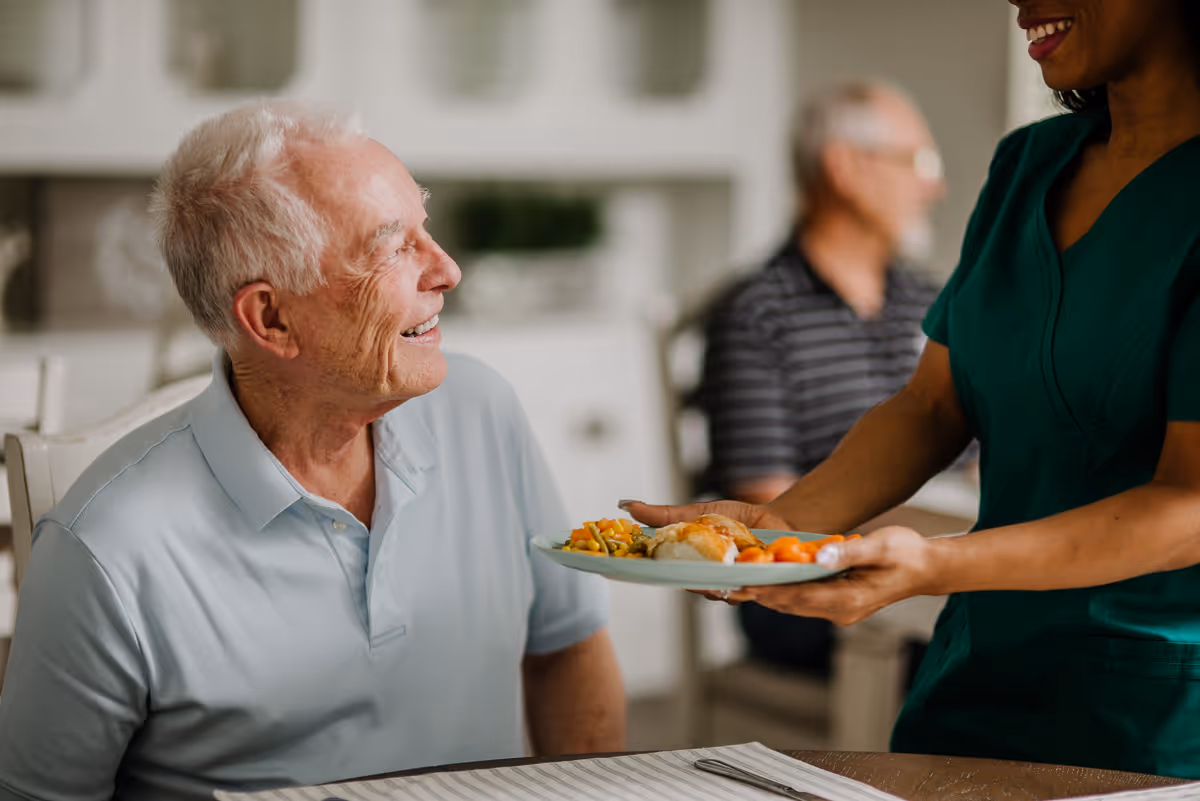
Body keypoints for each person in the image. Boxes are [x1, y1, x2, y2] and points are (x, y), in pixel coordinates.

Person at [627, 0, 1200, 778]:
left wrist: (934, 565)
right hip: (973, 672)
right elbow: (931, 405)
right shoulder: (1027, 166)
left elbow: (1188, 505)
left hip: (1148, 712)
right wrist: (772, 530)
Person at [0, 103, 624, 801]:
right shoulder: (105, 550)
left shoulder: (483, 412)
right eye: (393, 247)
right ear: (271, 318)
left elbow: (567, 646)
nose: (446, 269)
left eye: (426, 228)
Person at [698, 82, 945, 676]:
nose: (933, 185)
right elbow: (769, 504)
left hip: (926, 565)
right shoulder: (757, 312)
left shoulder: (930, 298)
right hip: (795, 585)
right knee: (965, 653)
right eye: (918, 162)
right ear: (845, 167)